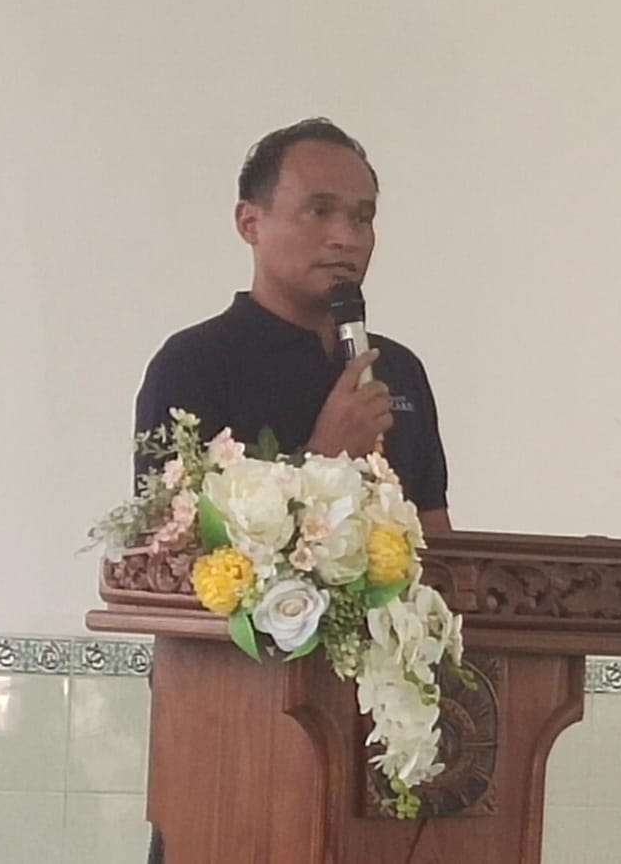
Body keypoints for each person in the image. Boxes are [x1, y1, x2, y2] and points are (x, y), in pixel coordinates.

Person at [134, 118, 451, 862]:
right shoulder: (195, 365)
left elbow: (438, 544)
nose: (346, 237)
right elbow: (166, 563)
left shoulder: (396, 370)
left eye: (363, 217)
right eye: (319, 211)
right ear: (250, 222)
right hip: (236, 732)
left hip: (380, 732)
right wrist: (324, 455)